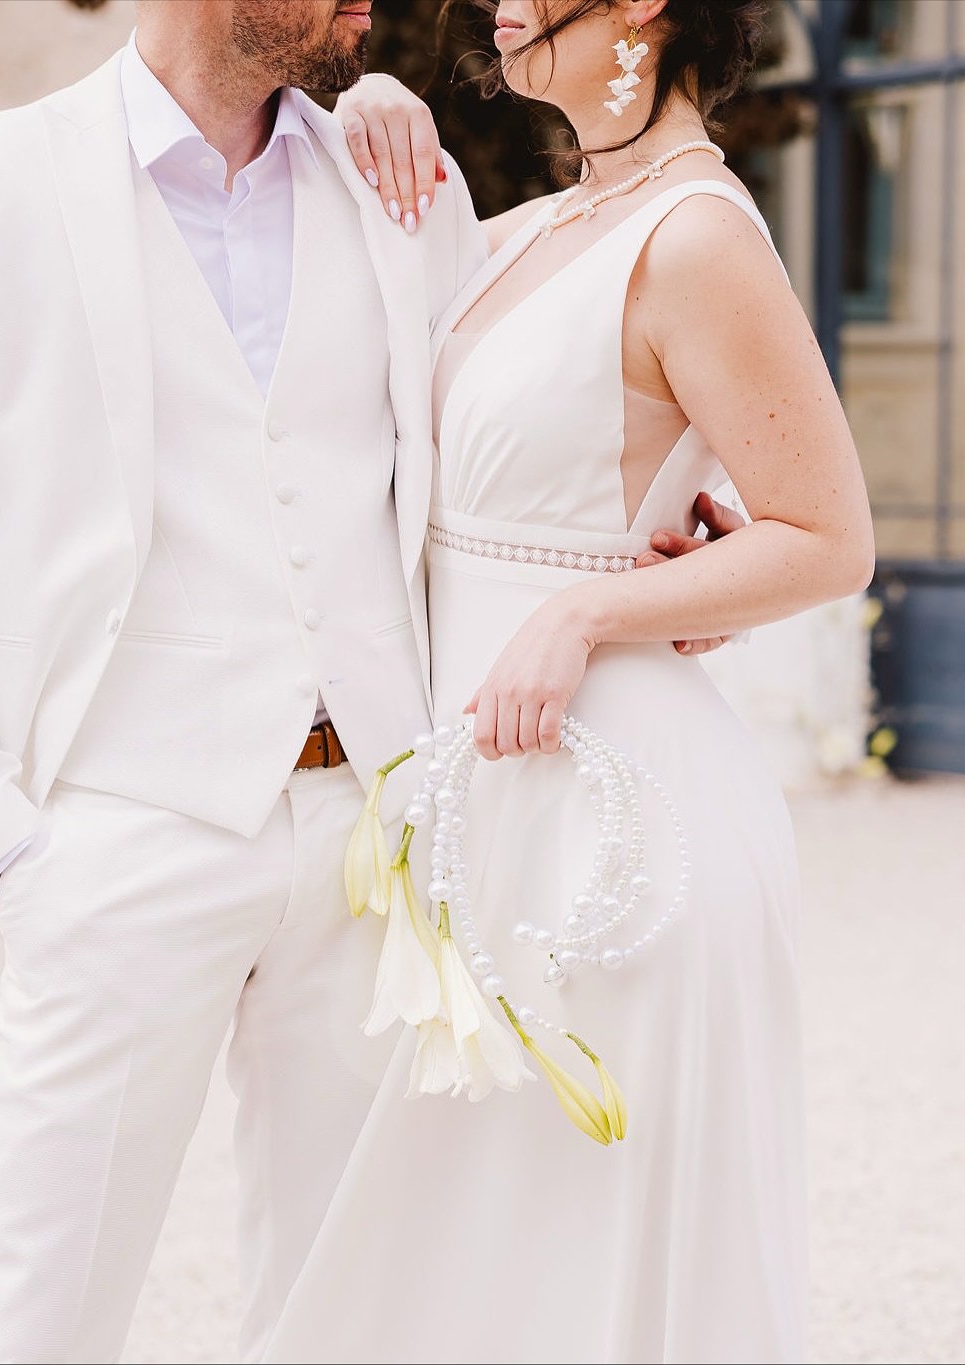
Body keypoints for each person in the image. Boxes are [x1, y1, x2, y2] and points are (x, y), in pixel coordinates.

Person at [0, 1, 733, 1360]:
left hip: (377, 834)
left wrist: (664, 533)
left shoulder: (399, 186)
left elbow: (497, 435)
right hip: (119, 832)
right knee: (44, 1305)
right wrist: (3, 844)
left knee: (352, 1302)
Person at [259, 2, 875, 1363]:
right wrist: (360, 117)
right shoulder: (540, 222)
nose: (502, 3)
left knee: (577, 1261)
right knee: (457, 1257)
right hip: (477, 793)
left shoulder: (700, 234)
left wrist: (591, 606)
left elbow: (830, 535)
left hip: (616, 821)